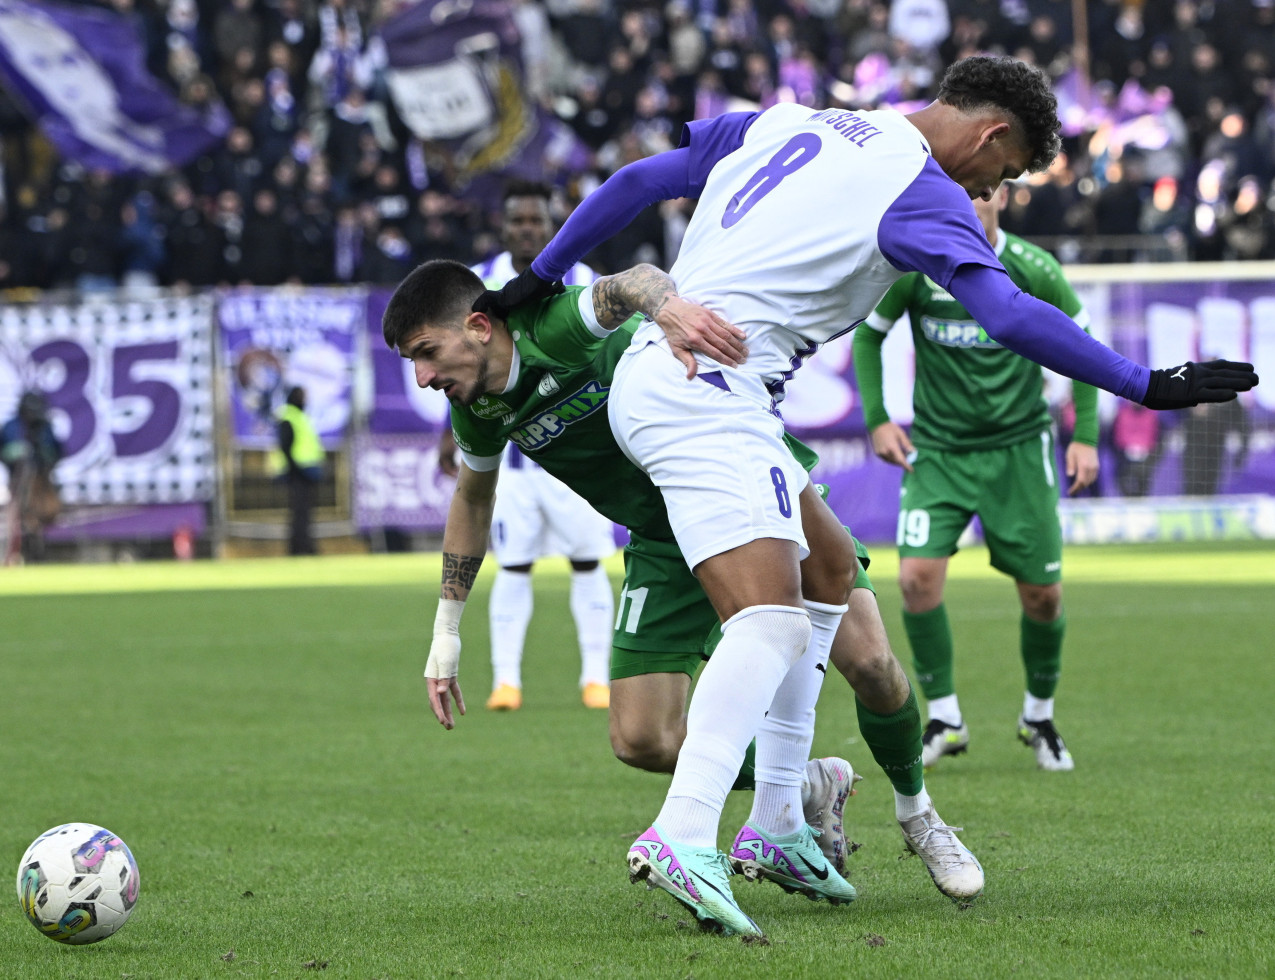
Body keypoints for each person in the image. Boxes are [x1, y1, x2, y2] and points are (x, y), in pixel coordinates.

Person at [476, 55, 1259, 937]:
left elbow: (639, 180)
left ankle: (776, 823)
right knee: (768, 622)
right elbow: (1007, 316)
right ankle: (684, 831)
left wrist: (539, 275)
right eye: (998, 175)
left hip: (686, 381)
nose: (984, 191)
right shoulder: (918, 191)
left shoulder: (792, 120)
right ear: (992, 134)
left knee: (831, 572)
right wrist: (1143, 384)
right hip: (707, 390)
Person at [389, 258, 985, 932]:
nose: (423, 377)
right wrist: (447, 631)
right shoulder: (479, 409)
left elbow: (629, 285)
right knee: (641, 737)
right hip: (663, 537)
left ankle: (919, 814)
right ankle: (809, 786)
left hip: (739, 483)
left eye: (426, 353)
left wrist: (666, 307)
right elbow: (472, 499)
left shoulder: (553, 330)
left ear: (476, 326)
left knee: (873, 666)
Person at [852, 183, 1098, 773]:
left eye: (981, 197)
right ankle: (945, 718)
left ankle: (1038, 716)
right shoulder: (917, 270)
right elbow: (868, 335)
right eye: (958, 200)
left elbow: (1083, 346)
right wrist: (879, 420)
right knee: (914, 579)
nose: (969, 209)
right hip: (938, 451)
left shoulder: (1033, 269)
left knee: (1043, 594)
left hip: (1019, 450)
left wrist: (1085, 433)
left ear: (1002, 199)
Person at [440, 179, 616, 712]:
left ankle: (595, 678)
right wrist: (443, 437)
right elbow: (458, 370)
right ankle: (507, 682)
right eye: (518, 221)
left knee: (588, 564)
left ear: (552, 223)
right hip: (514, 462)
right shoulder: (480, 285)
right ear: (504, 225)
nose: (527, 230)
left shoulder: (583, 279)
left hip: (578, 459)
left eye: (536, 221)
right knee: (512, 566)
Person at [0, 391, 62, 564]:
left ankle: (37, 540)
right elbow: (1, 451)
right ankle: (12, 551)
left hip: (42, 477)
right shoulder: (12, 426)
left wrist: (42, 454)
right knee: (16, 511)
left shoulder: (45, 426)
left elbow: (57, 451)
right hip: (18, 479)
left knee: (47, 508)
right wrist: (17, 452)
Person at [269, 385, 324, 556]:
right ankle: (301, 547)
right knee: (300, 513)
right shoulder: (289, 416)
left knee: (303, 513)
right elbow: (286, 446)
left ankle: (302, 546)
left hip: (304, 472)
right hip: (297, 472)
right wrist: (296, 469)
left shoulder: (298, 416)